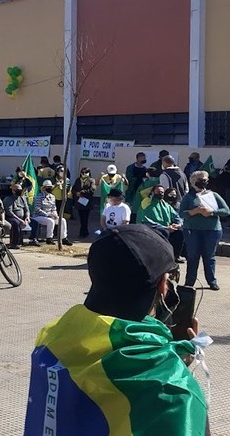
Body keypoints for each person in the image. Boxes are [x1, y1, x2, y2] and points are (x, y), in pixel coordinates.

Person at [23, 225, 207, 435]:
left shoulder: (51, 336)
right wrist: (179, 371)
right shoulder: (173, 391)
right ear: (163, 286)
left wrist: (170, 359)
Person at [180, 170, 229, 290]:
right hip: (192, 230)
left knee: (209, 256)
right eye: (201, 180)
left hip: (212, 230)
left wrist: (212, 212)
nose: (204, 182)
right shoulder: (189, 197)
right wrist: (194, 211)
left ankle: (212, 281)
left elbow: (226, 210)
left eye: (205, 180)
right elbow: (181, 213)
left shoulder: (213, 195)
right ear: (193, 182)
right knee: (192, 256)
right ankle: (189, 282)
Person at [138, 184, 185, 261]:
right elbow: (147, 221)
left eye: (162, 192)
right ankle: (162, 257)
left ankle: (175, 256)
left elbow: (177, 216)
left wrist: (178, 224)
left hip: (167, 227)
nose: (161, 194)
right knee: (164, 232)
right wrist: (166, 227)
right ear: (153, 192)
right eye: (158, 192)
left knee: (180, 232)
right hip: (151, 228)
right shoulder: (147, 203)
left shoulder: (165, 204)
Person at [34, 180, 73, 245]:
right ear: (44, 188)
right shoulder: (39, 196)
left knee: (62, 220)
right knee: (50, 221)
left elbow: (54, 208)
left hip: (51, 216)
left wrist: (56, 215)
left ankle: (64, 238)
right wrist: (47, 215)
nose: (49, 188)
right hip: (39, 216)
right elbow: (37, 209)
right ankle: (49, 238)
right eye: (47, 187)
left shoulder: (52, 197)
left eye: (50, 187)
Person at [3, 184, 32, 248]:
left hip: (22, 217)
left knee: (35, 222)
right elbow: (10, 212)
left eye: (21, 190)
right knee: (16, 223)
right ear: (13, 191)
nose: (20, 191)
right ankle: (14, 243)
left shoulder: (22, 198)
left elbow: (27, 209)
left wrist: (27, 217)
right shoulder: (8, 199)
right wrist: (20, 220)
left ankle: (33, 240)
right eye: (18, 190)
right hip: (11, 217)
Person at [71, 167, 96, 238]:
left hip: (87, 202)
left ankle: (84, 232)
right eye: (82, 172)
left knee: (85, 218)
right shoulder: (78, 180)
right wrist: (76, 193)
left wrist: (82, 192)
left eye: (86, 172)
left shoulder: (91, 180)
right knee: (81, 218)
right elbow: (73, 189)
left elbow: (92, 190)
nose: (84, 174)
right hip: (79, 202)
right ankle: (83, 231)